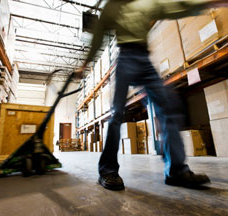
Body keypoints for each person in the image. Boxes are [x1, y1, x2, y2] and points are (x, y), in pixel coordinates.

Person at [75, 0, 228, 191]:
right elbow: (98, 37)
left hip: (144, 60)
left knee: (169, 107)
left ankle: (176, 171)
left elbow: (176, 6)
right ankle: (107, 170)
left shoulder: (147, 3)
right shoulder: (112, 6)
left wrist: (208, 3)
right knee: (117, 114)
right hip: (125, 58)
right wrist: (85, 65)